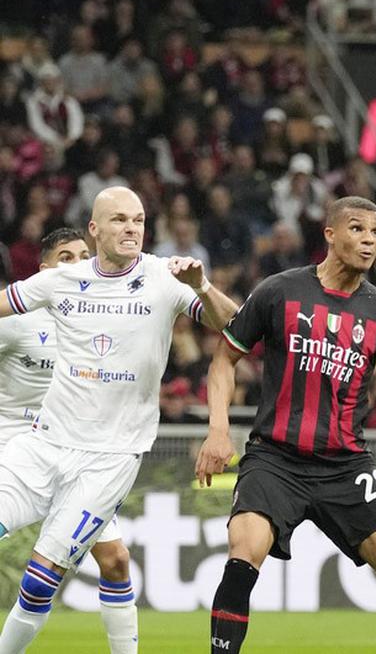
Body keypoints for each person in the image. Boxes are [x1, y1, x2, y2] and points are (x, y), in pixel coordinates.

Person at [0, 187, 236, 653]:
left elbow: (236, 325)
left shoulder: (164, 278)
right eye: (120, 220)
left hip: (108, 460)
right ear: (95, 228)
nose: (131, 229)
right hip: (42, 443)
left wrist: (202, 287)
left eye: (139, 221)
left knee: (45, 575)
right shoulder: (62, 280)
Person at [194, 197, 376, 654]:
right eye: (358, 229)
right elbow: (224, 360)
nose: (369, 241)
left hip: (345, 466)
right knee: (244, 549)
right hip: (275, 459)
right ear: (330, 234)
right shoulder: (279, 291)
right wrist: (218, 429)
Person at [0, 228, 139, 653]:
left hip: (78, 459)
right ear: (43, 271)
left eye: (84, 255)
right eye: (65, 256)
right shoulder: (16, 320)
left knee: (115, 562)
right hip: (16, 451)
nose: (78, 263)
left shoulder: (106, 321)